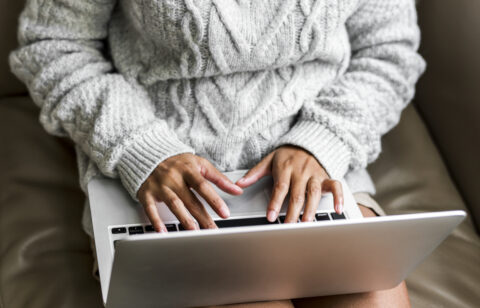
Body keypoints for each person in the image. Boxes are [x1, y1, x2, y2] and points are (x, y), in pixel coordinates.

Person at [9, 0, 425, 306]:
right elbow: (53, 45)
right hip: (165, 187)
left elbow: (390, 54)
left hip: (319, 172)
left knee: (375, 298)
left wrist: (322, 141)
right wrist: (144, 150)